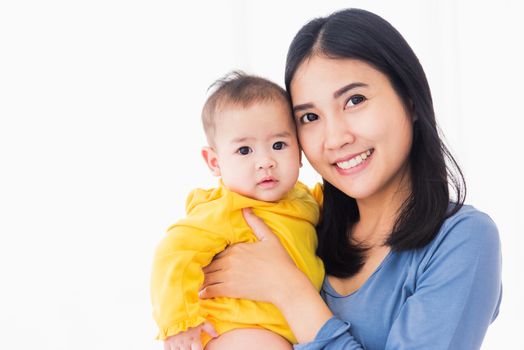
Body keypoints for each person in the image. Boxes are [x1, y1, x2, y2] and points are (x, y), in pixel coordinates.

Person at [199, 8, 502, 349]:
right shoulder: (300, 223)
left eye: (354, 100)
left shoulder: (462, 240)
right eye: (310, 116)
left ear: (411, 99)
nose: (335, 138)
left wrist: (290, 291)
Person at [150, 71, 325, 350]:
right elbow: (173, 253)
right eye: (245, 151)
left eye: (278, 145)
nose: (265, 161)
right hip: (236, 330)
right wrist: (179, 322)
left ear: (300, 152)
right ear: (215, 162)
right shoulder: (227, 209)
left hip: (289, 329)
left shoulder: (303, 199)